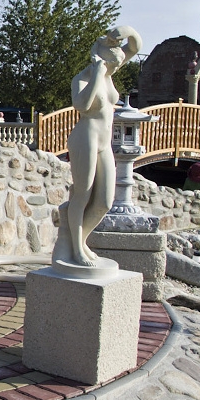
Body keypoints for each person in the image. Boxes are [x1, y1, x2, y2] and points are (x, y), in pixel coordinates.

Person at [58, 25, 141, 267]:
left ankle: (79, 241)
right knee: (82, 194)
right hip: (86, 137)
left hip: (105, 142)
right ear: (101, 61)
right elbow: (82, 105)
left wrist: (125, 31)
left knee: (104, 201)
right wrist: (96, 73)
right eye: (112, 66)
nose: (115, 69)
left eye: (117, 65)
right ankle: (76, 249)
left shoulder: (109, 71)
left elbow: (135, 47)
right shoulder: (82, 79)